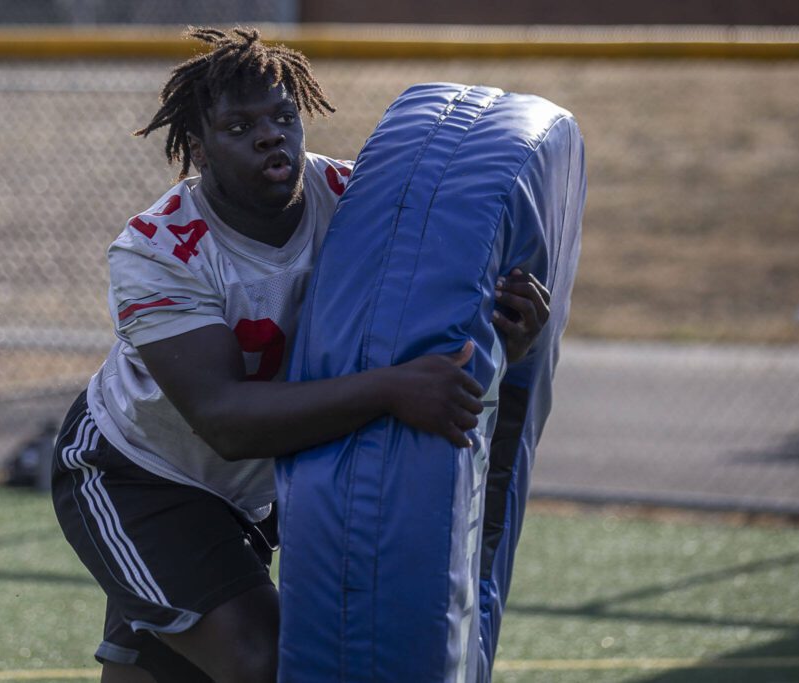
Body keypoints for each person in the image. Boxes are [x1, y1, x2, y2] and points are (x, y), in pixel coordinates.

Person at [51, 27, 550, 683]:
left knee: (161, 670)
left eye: (283, 116)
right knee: (262, 659)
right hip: (138, 474)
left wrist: (504, 333)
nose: (270, 135)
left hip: (259, 483)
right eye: (239, 126)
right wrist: (391, 388)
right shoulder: (157, 249)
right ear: (197, 150)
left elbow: (427, 330)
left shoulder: (356, 203)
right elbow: (224, 418)